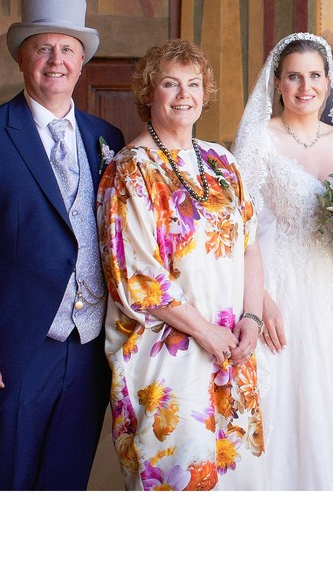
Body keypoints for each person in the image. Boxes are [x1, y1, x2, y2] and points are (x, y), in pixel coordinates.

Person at [0, 0, 125, 489]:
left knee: (64, 484)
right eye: (43, 48)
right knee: (9, 484)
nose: (55, 61)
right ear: (22, 57)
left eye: (67, 50)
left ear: (82, 62)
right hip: (15, 349)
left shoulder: (106, 137)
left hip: (88, 351)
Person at [225, 32, 333, 490]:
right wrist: (259, 301)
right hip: (279, 286)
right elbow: (238, 229)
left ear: (328, 80)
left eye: (315, 76)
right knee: (285, 400)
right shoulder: (259, 139)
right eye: (294, 76)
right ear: (277, 83)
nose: (306, 87)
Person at [97, 39, 264, 491]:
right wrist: (206, 332)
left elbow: (250, 246)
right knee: (179, 479)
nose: (183, 94)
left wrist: (251, 319)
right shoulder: (131, 170)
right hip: (169, 353)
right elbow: (138, 279)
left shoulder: (223, 162)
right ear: (149, 92)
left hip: (230, 347)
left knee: (231, 482)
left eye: (194, 83)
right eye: (170, 83)